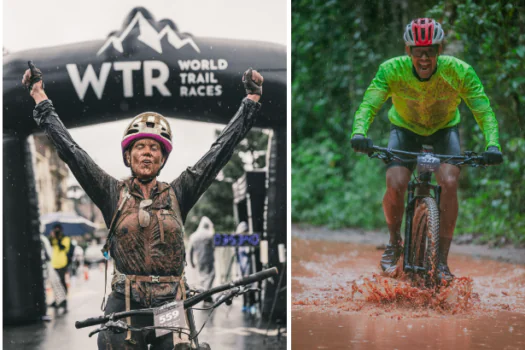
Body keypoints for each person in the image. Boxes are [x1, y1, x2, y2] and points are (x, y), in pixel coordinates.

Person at [23, 62, 264, 349]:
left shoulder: (179, 192)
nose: (147, 153)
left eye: (155, 148)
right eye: (140, 147)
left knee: (181, 347)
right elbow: (71, 152)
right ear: (128, 155)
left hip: (169, 302)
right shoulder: (111, 191)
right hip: (125, 301)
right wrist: (39, 96)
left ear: (163, 159)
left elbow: (219, 152)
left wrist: (250, 102)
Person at [350, 18, 503, 283]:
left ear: (440, 50)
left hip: (444, 131)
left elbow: (483, 111)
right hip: (404, 131)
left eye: (430, 51)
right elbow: (368, 105)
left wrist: (492, 144)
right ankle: (394, 241)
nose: (424, 58)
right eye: (418, 52)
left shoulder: (460, 71)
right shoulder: (391, 70)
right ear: (408, 51)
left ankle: (441, 260)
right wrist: (359, 132)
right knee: (396, 182)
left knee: (450, 181)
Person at [188, 217, 216, 303]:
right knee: (211, 276)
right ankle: (206, 295)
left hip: (199, 260)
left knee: (202, 278)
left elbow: (190, 251)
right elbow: (214, 247)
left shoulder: (193, 236)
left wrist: (191, 262)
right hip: (209, 260)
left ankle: (205, 295)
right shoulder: (210, 235)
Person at [48, 224, 71, 311]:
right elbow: (50, 244)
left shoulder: (65, 238)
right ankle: (57, 299)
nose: (57, 232)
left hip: (62, 264)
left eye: (58, 230)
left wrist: (58, 238)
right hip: (54, 264)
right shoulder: (53, 238)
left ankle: (64, 300)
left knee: (61, 281)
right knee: (54, 283)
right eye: (55, 230)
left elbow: (63, 248)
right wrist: (52, 236)